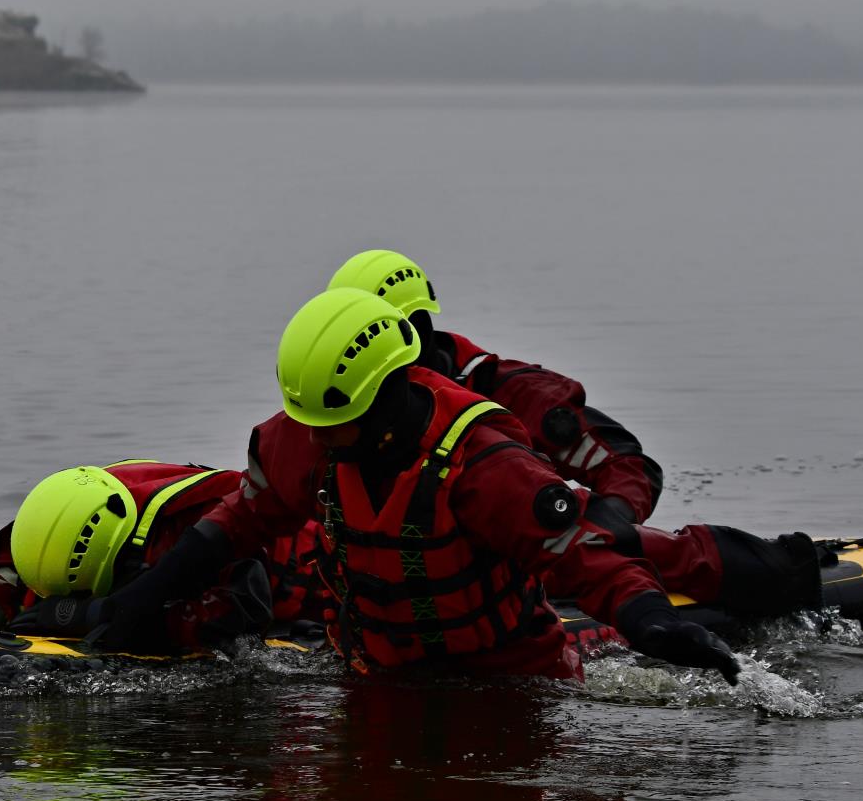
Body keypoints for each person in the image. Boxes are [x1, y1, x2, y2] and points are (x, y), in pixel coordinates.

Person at [90, 287, 742, 683]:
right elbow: (239, 521)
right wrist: (146, 596)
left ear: (384, 396)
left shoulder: (485, 463)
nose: (317, 440)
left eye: (334, 424)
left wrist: (652, 623)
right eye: (309, 422)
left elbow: (585, 558)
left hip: (507, 679)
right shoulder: (305, 435)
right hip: (378, 674)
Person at [326, 249, 822, 620]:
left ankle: (782, 572)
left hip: (527, 542)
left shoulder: (512, 393)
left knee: (602, 533)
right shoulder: (346, 416)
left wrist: (601, 532)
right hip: (421, 554)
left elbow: (627, 467)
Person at [0, 461, 275, 653]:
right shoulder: (69, 504)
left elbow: (247, 604)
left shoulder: (193, 529)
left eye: (74, 592)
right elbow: (11, 571)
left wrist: (88, 615)